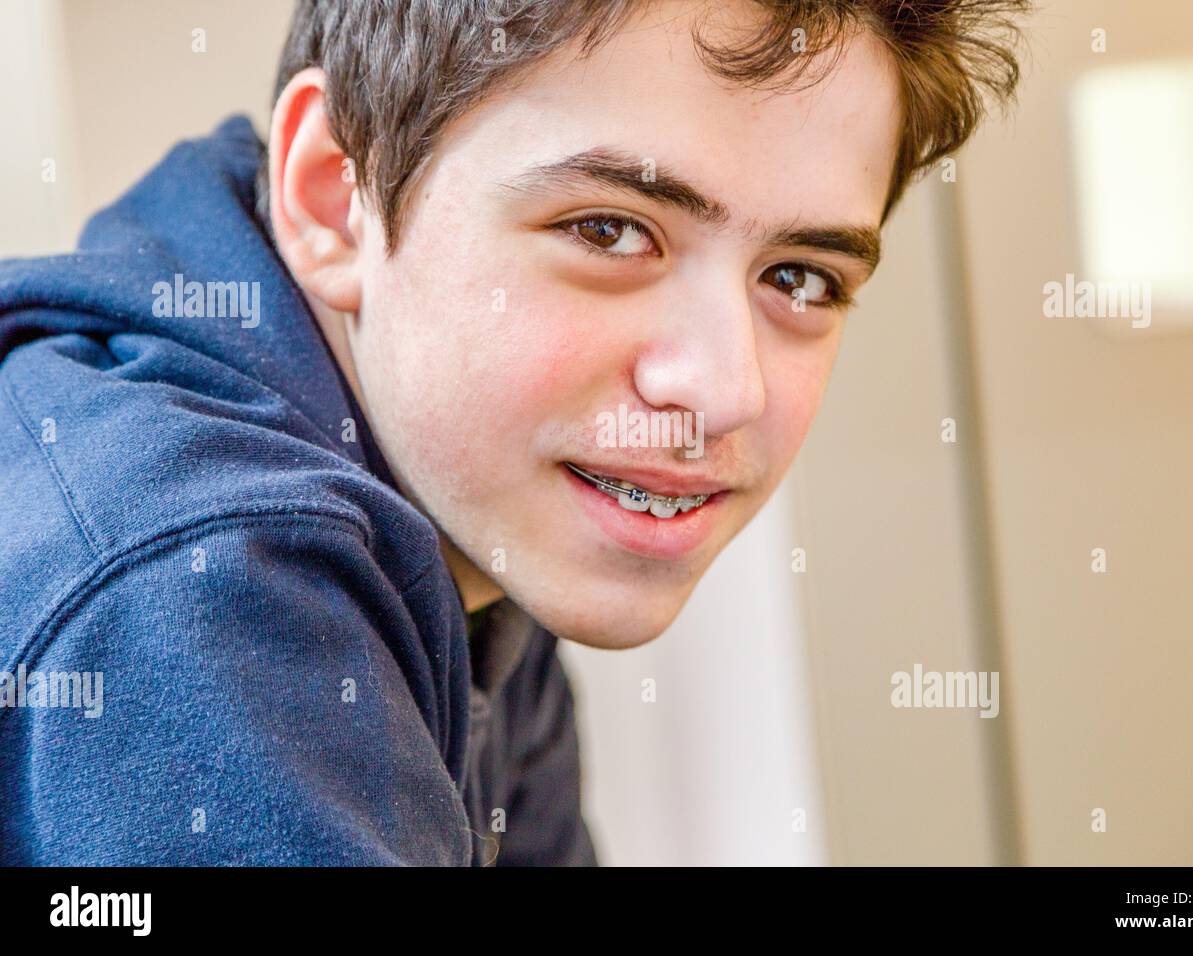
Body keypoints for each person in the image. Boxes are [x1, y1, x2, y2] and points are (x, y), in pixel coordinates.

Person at [0, 0, 1028, 865]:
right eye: (609, 229)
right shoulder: (199, 584)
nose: (724, 390)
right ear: (333, 196)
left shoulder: (481, 510)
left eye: (799, 279)